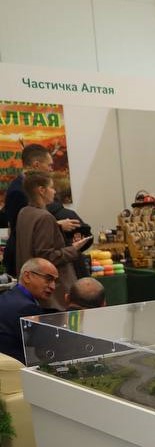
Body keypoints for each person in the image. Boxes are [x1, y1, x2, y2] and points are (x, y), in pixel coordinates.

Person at [2, 144, 81, 277]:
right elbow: (20, 229)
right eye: (49, 165)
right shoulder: (18, 191)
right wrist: (56, 225)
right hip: (29, 261)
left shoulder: (25, 189)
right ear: (36, 165)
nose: (51, 169)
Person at [13, 171, 83, 311]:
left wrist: (56, 226)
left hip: (30, 285)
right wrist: (74, 249)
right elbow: (46, 257)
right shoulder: (45, 217)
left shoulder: (24, 212)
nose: (54, 191)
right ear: (41, 190)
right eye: (51, 187)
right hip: (52, 292)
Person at [0, 258, 57, 363]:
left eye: (55, 281)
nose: (53, 286)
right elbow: (43, 350)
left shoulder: (7, 295)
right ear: (27, 276)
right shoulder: (28, 308)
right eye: (48, 279)